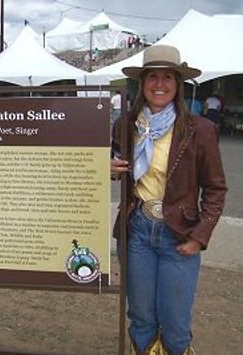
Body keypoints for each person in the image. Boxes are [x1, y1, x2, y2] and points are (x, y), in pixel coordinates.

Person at [110, 45, 227, 355]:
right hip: (137, 231)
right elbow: (116, 169)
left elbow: (216, 190)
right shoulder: (126, 125)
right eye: (152, 77)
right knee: (141, 318)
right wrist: (107, 167)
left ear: (177, 84)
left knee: (175, 323)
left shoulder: (200, 130)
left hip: (179, 235)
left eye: (167, 77)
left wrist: (199, 236)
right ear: (142, 83)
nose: (159, 84)